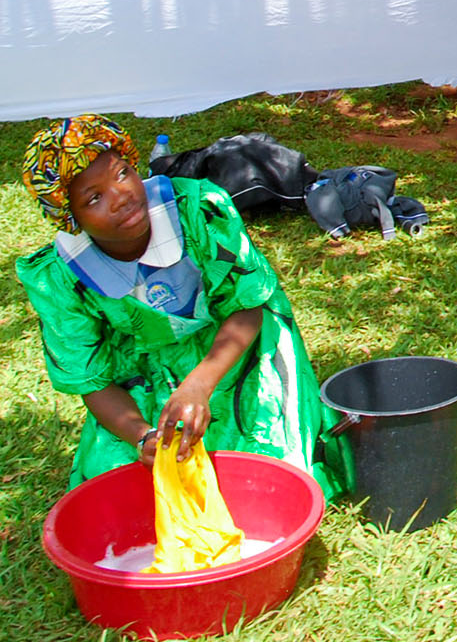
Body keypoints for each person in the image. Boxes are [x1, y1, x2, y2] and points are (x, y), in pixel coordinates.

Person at [17, 116, 348, 494]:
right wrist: (142, 435)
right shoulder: (62, 277)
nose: (121, 196)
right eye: (94, 198)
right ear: (69, 217)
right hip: (146, 372)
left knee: (266, 470)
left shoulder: (199, 211)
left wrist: (200, 385)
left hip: (239, 348)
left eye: (123, 174)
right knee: (126, 486)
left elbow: (247, 306)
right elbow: (91, 381)